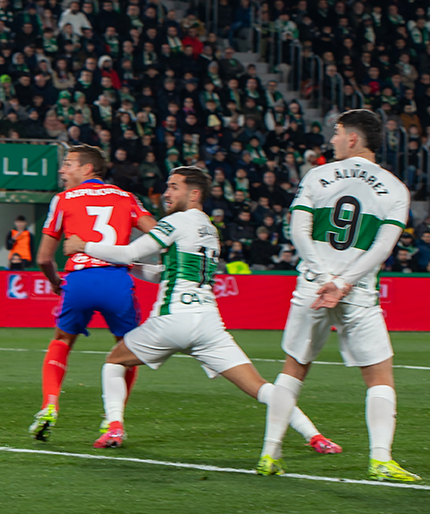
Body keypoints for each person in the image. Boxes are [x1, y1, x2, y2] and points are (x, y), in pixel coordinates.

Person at [64, 167, 338, 454]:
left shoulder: (177, 222)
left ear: (194, 194)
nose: (166, 193)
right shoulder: (208, 228)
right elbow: (164, 272)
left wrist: (85, 245)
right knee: (259, 387)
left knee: (114, 362)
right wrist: (129, 268)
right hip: (208, 323)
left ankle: (115, 427)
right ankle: (315, 436)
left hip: (172, 320)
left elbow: (132, 251)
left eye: (173, 187)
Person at [260, 110, 418, 482]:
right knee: (379, 376)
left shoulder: (317, 175)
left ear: (352, 138)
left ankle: (269, 452)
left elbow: (299, 231)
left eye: (336, 133)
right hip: (358, 291)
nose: (331, 140)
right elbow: (383, 248)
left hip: (313, 287)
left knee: (293, 369)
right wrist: (344, 282)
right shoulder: (396, 188)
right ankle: (380, 459)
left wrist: (323, 276)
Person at [30, 145, 158, 442]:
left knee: (62, 340)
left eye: (68, 164)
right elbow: (157, 234)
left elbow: (43, 259)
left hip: (80, 280)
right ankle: (113, 422)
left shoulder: (62, 200)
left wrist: (54, 282)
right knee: (126, 353)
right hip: (117, 281)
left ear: (88, 169)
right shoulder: (126, 197)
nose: (62, 170)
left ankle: (49, 405)